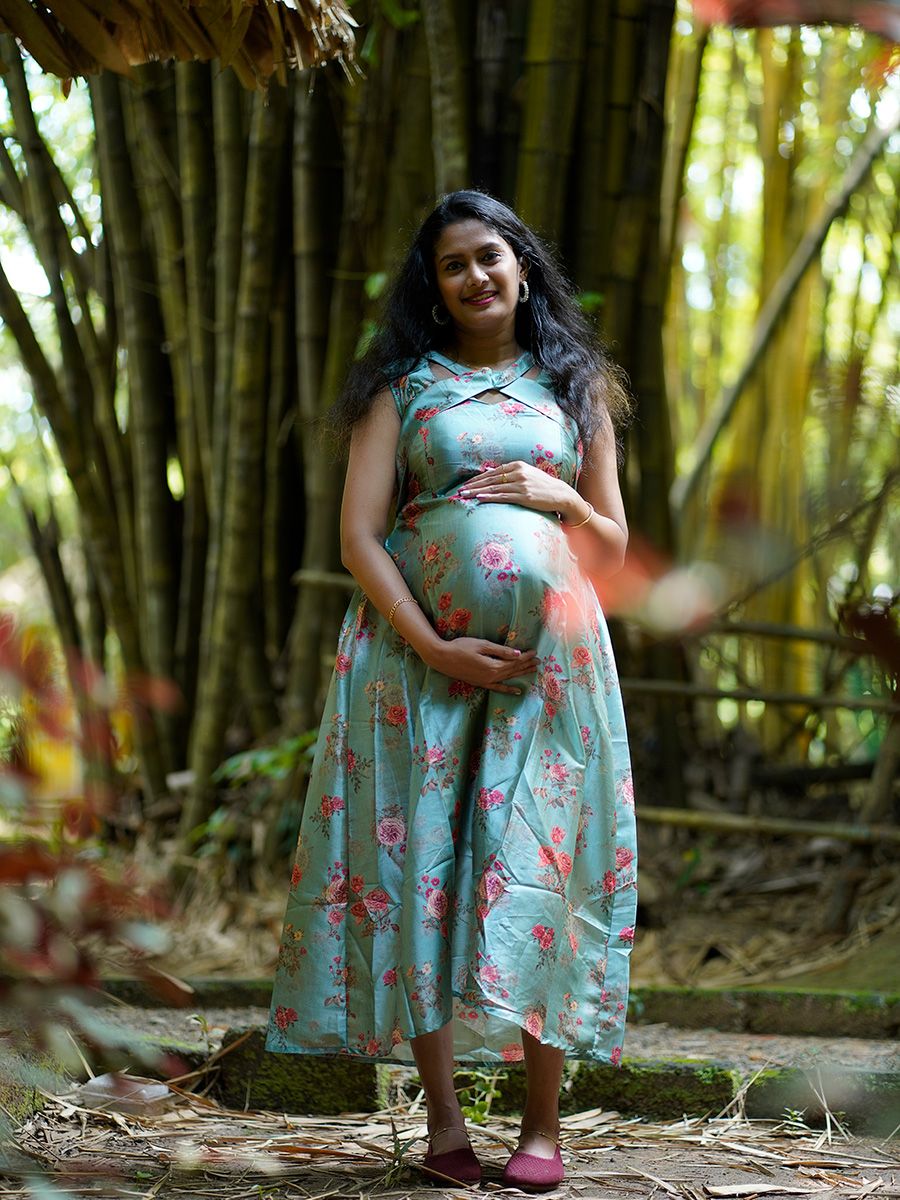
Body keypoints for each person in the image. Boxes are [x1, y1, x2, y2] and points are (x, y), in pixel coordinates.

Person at [265, 189, 638, 1192]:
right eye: (454, 265)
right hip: (410, 671)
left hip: (550, 674)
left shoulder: (577, 388)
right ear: (433, 289)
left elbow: (612, 545)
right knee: (422, 873)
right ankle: (442, 1127)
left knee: (540, 875)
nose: (477, 277)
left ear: (523, 266)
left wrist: (560, 496)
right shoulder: (403, 387)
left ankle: (544, 1126)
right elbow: (357, 536)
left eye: (491, 256)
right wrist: (432, 643)